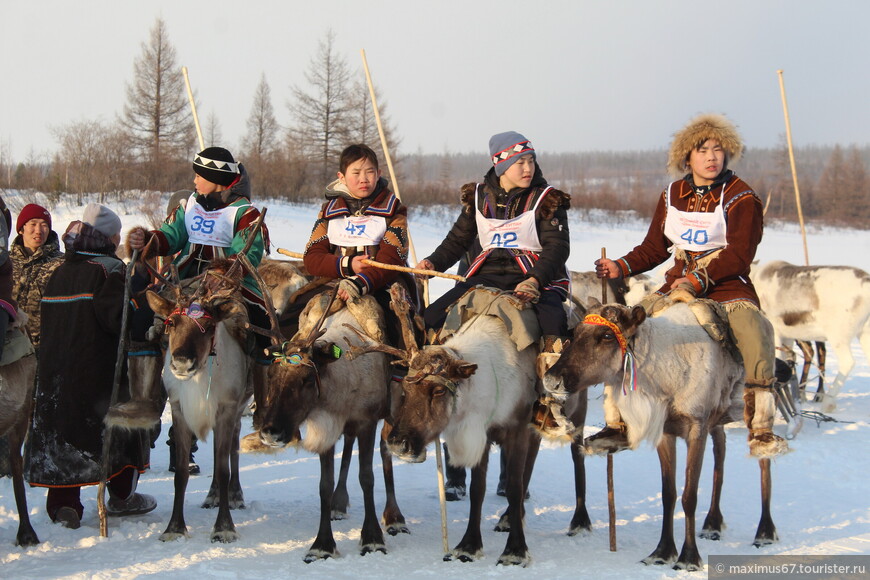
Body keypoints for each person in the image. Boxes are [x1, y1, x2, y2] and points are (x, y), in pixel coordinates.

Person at [592, 113, 788, 458]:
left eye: (718, 150)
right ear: (687, 157)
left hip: (727, 286)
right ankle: (617, 421)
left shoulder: (742, 197)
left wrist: (700, 277)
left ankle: (761, 427)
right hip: (676, 285)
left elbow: (740, 253)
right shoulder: (673, 195)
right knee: (623, 330)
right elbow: (655, 247)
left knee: (754, 331)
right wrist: (620, 265)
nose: (712, 157)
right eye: (703, 150)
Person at [126, 147, 269, 461]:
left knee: (261, 329)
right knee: (142, 320)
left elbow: (250, 249)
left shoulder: (245, 212)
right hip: (185, 281)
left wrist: (225, 272)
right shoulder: (188, 205)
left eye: (199, 176)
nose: (194, 180)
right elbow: (170, 236)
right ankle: (147, 402)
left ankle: (264, 407)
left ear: (217, 180)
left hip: (227, 285)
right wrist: (146, 240)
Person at [25, 203, 156, 529]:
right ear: (110, 238)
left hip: (56, 374)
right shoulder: (110, 271)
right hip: (99, 373)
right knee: (119, 430)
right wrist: (146, 297)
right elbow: (122, 322)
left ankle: (64, 506)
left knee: (64, 434)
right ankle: (123, 495)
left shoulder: (59, 271)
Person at [416, 131, 571, 376]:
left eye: (531, 160)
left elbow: (557, 248)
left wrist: (534, 280)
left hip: (536, 279)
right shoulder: (479, 199)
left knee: (552, 320)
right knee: (433, 315)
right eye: (519, 163)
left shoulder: (546, 200)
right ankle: (435, 379)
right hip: (486, 277)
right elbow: (457, 240)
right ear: (501, 165)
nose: (527, 168)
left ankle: (552, 393)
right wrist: (432, 263)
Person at [302, 143, 413, 350]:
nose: (363, 179)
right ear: (341, 177)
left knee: (400, 330)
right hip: (333, 281)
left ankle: (400, 376)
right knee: (292, 316)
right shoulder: (329, 212)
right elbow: (312, 257)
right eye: (356, 173)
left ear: (378, 174)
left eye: (369, 172)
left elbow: (392, 257)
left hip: (381, 284)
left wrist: (360, 282)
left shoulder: (393, 210)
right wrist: (346, 264)